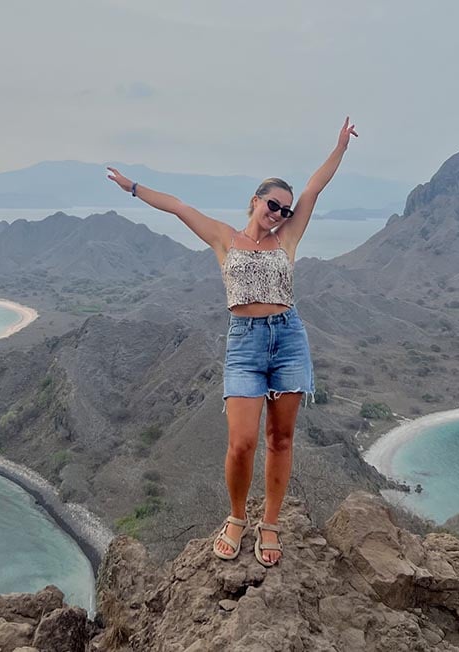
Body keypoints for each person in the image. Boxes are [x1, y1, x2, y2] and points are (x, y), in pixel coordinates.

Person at [107, 117, 358, 566]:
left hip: (288, 338)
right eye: (272, 204)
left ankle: (272, 524)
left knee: (280, 438)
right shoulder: (225, 239)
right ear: (255, 201)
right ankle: (238, 517)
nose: (279, 213)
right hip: (244, 343)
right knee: (241, 442)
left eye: (284, 209)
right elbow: (179, 207)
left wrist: (339, 146)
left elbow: (315, 188)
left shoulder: (288, 238)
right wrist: (133, 188)